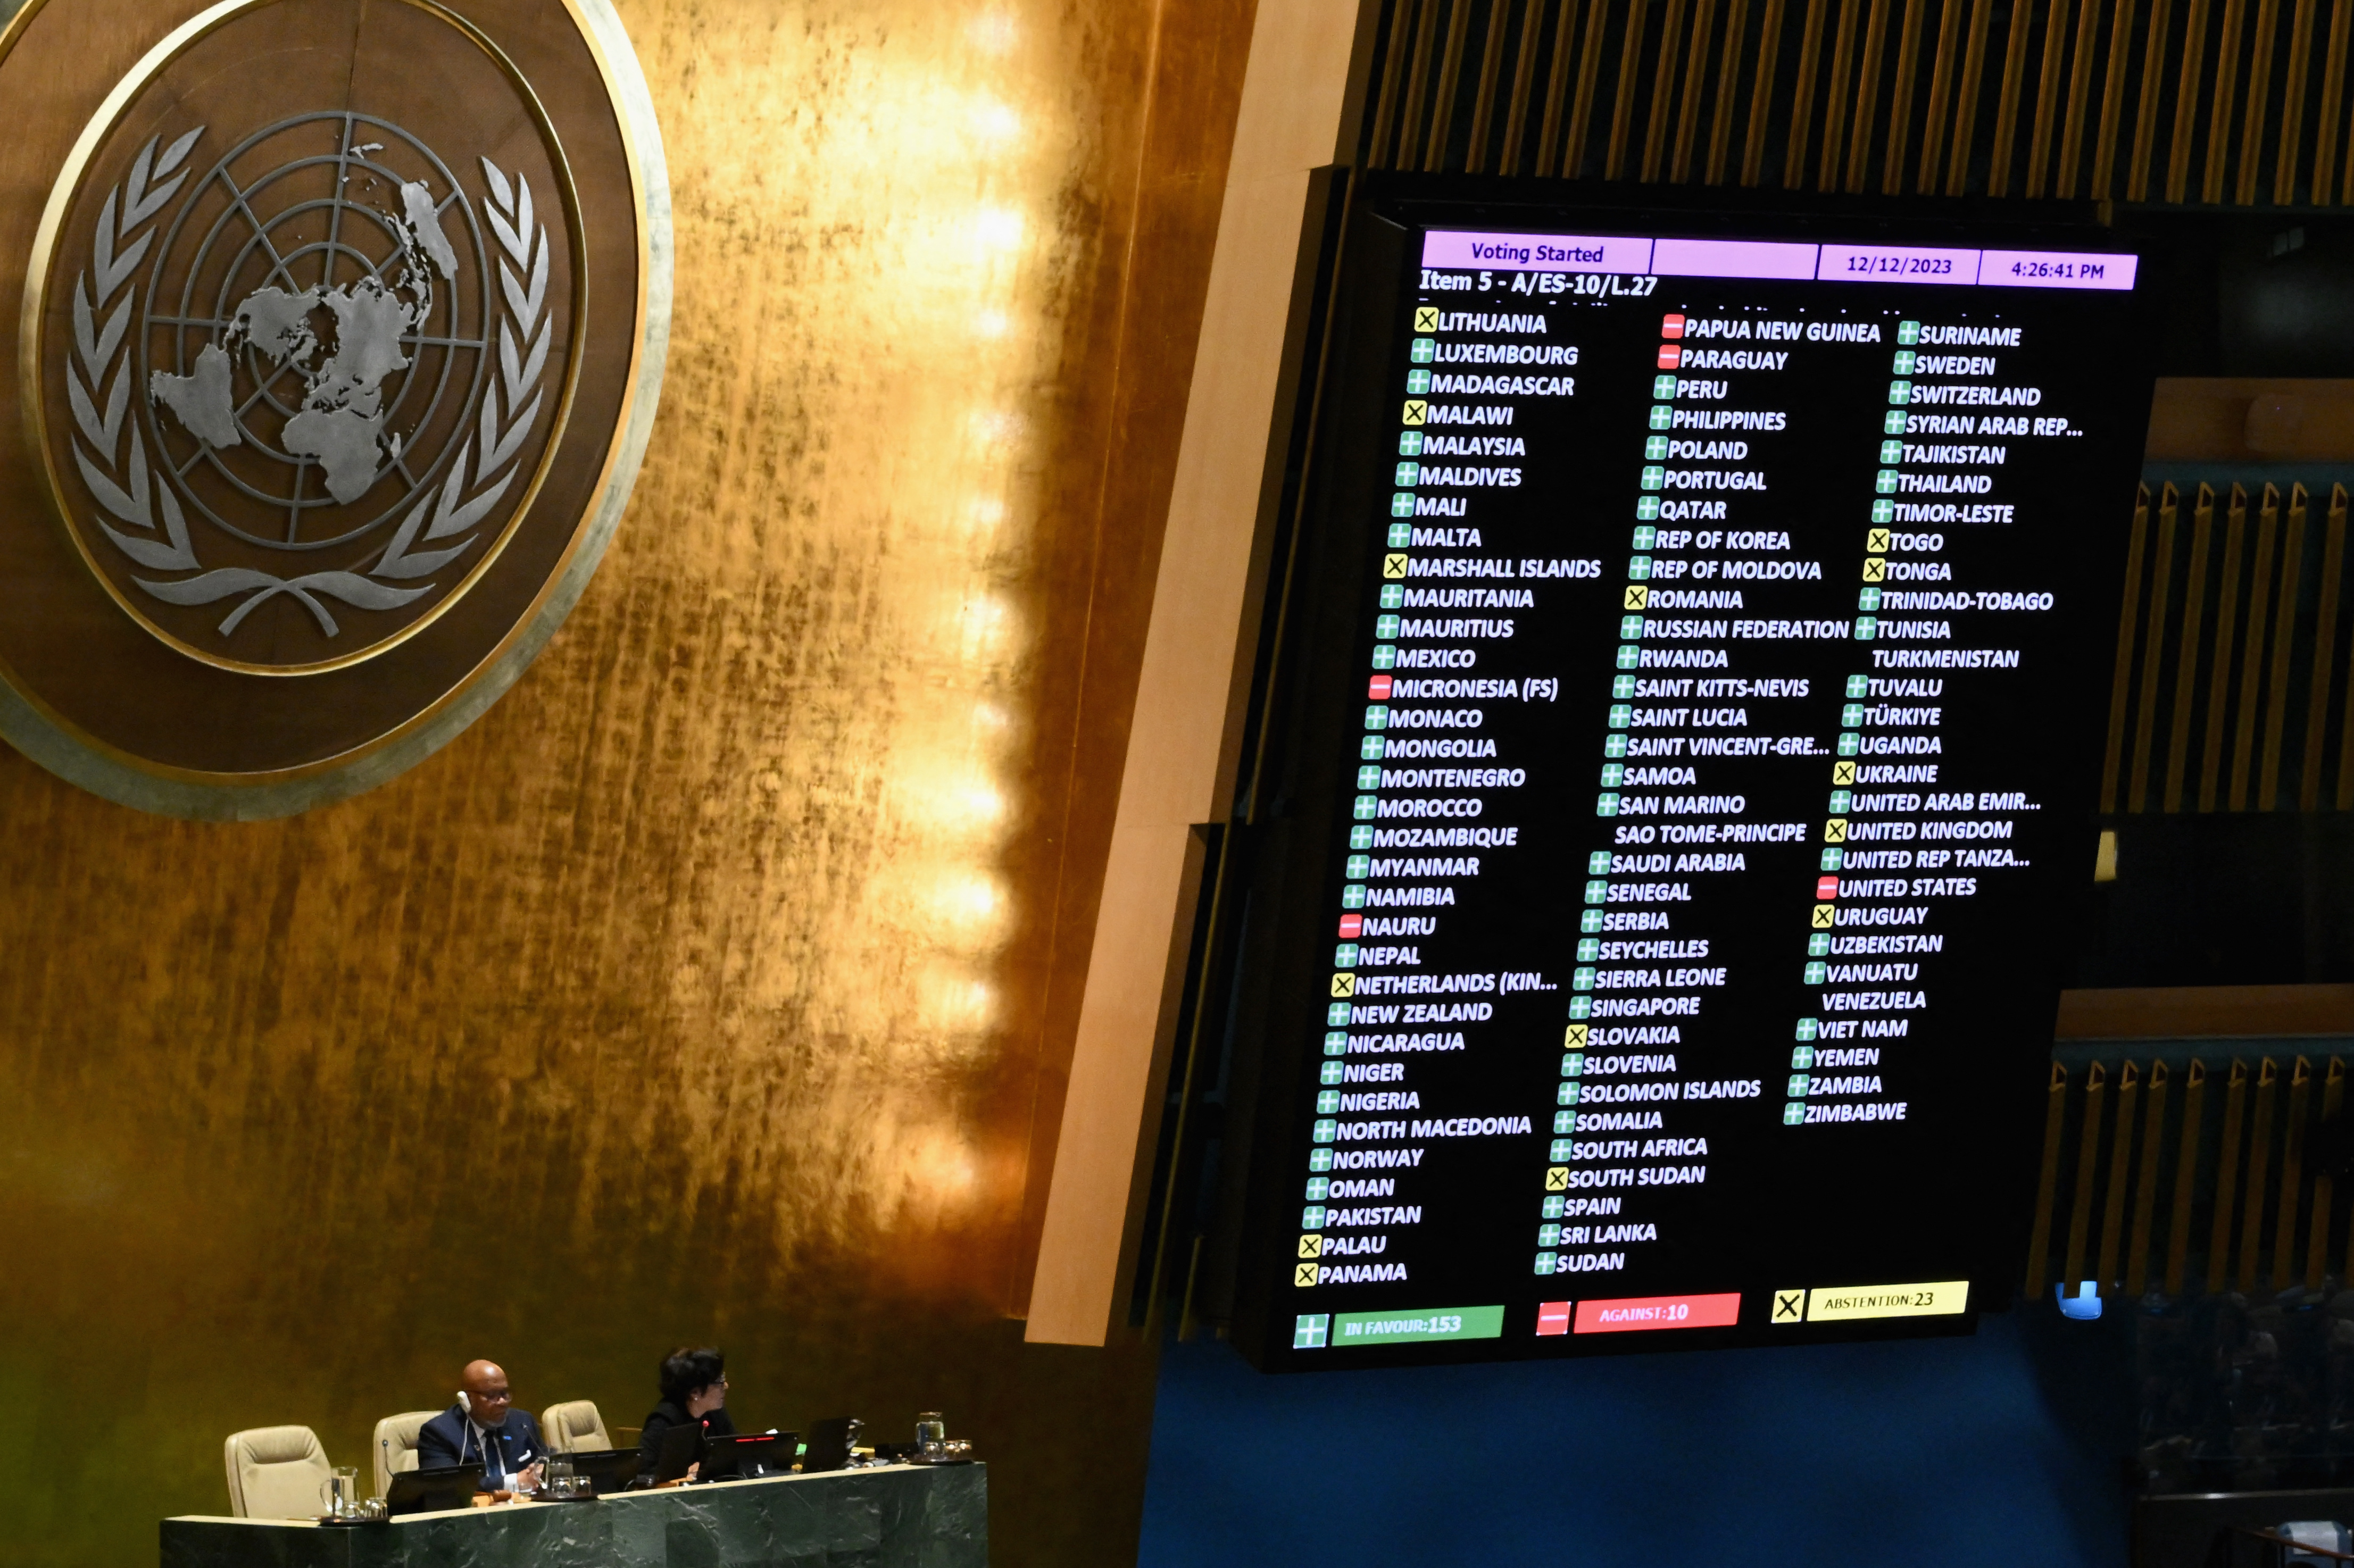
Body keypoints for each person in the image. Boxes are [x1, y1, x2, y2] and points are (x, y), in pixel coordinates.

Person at [416, 1359, 545, 1493]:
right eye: (491, 1395)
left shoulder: (522, 1422)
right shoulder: (439, 1432)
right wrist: (514, 1481)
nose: (502, 1402)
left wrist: (544, 1469)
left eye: (504, 1393)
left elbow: (547, 1458)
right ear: (467, 1399)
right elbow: (444, 1485)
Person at [636, 1346, 736, 1481]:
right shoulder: (663, 1421)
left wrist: (706, 1468)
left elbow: (735, 1452)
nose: (726, 1386)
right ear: (695, 1392)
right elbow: (644, 1474)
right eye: (720, 1381)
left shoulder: (716, 1413)